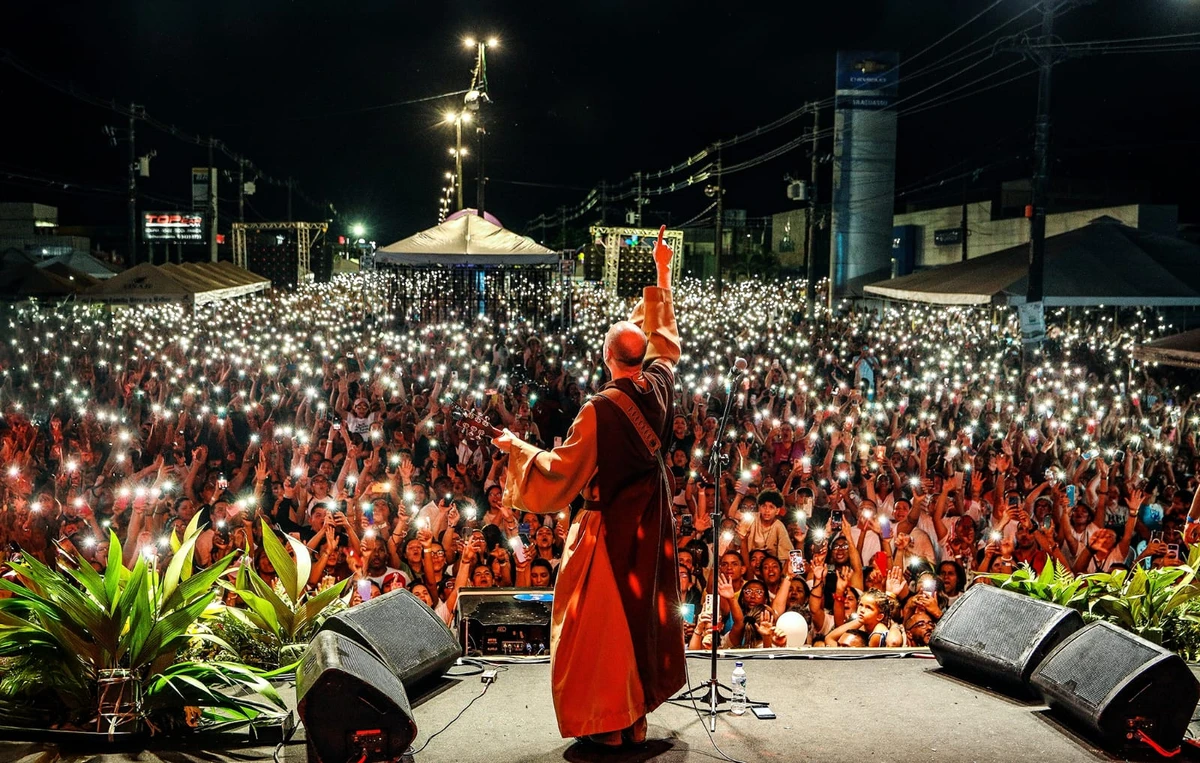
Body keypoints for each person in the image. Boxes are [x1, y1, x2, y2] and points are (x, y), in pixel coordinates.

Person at [493, 226, 684, 747]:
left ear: (606, 358)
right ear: (640, 358)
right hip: (651, 521)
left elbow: (559, 474)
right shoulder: (662, 385)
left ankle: (608, 723)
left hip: (605, 529)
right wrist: (661, 272)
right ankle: (636, 716)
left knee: (595, 628)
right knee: (639, 614)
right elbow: (667, 343)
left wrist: (515, 448)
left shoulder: (598, 411)